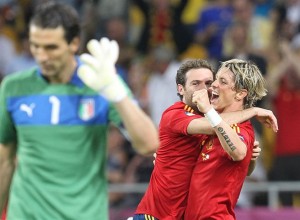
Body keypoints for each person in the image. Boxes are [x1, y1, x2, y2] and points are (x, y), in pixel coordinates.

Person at [0, 1, 159, 220]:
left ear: (74, 43)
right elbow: (5, 159)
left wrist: (114, 91)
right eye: (36, 46)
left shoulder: (100, 81)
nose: (42, 56)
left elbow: (149, 144)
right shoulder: (14, 87)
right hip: (25, 214)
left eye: (51, 47)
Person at [133, 59, 278, 219]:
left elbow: (238, 154)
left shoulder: (231, 126)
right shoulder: (182, 115)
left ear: (240, 93)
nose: (210, 87)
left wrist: (250, 158)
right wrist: (253, 111)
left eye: (217, 81)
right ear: (180, 89)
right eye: (196, 83)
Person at [184, 59, 271, 219]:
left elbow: (238, 153)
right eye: (216, 78)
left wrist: (209, 110)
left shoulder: (239, 128)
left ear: (240, 94)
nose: (214, 84)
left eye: (222, 81)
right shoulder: (210, 125)